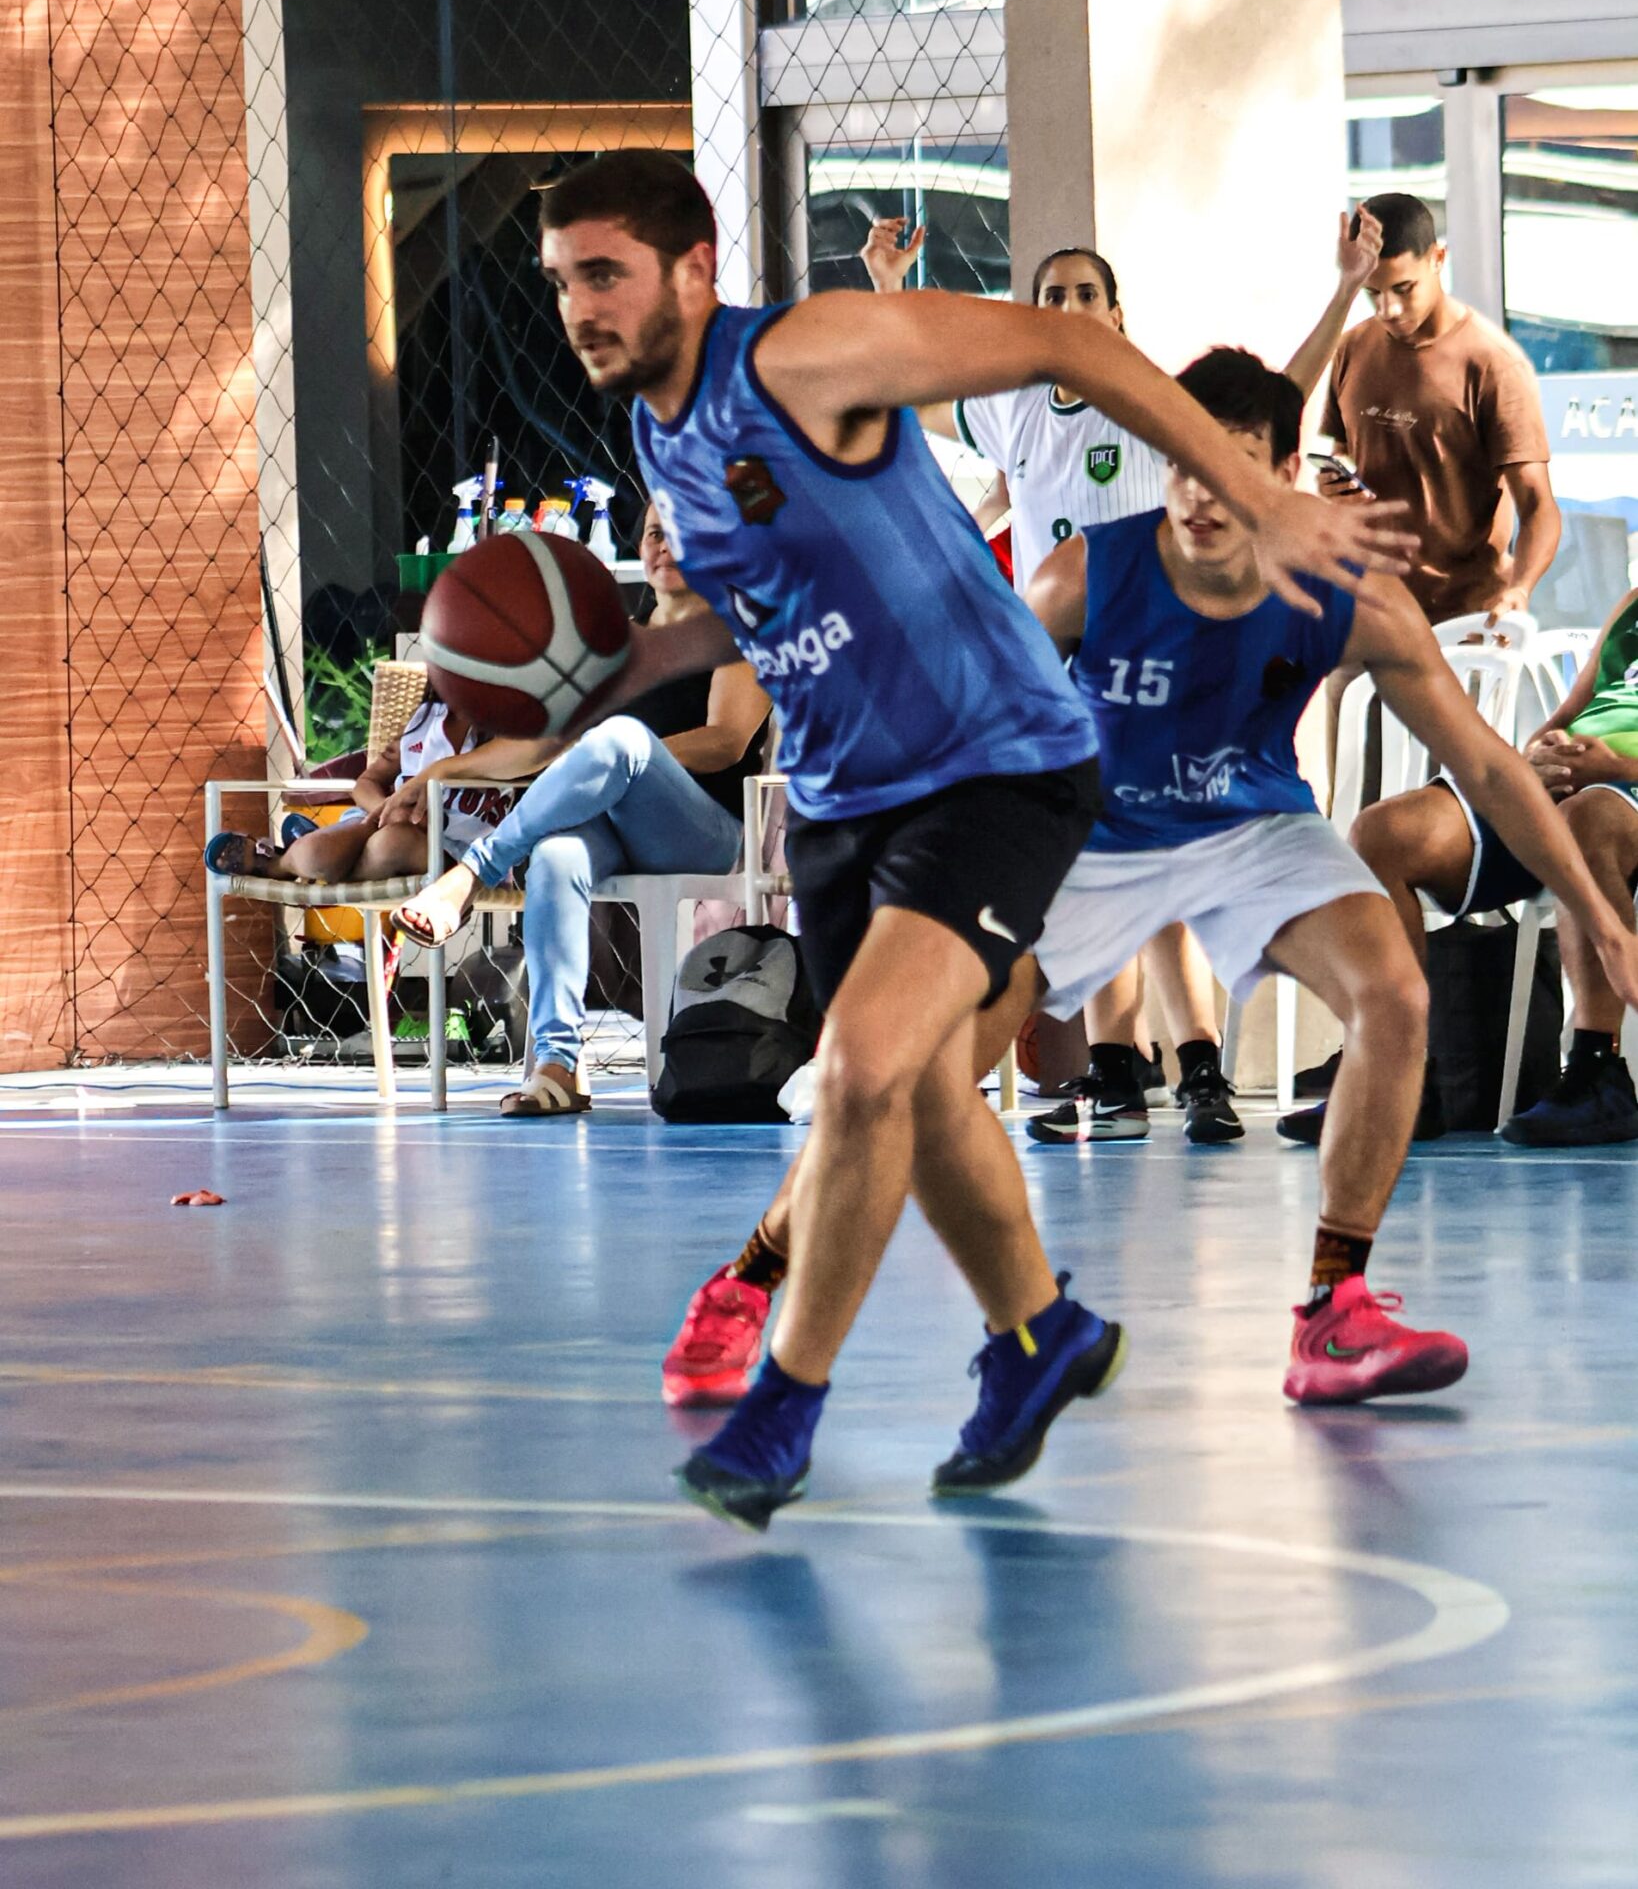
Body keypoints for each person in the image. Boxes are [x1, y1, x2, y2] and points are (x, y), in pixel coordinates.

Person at [531, 147, 1413, 1525]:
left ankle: (782, 1406)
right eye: (560, 281)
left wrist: (1261, 500)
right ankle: (1037, 1332)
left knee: (863, 1067)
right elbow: (768, 616)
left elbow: (1070, 345)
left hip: (996, 759)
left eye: (605, 274)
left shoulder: (806, 355)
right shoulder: (661, 431)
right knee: (928, 1090)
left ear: (694, 271)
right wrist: (592, 679)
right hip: (843, 795)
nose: (579, 307)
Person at [1020, 347, 1638, 1400]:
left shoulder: (1350, 597)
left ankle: (1332, 1309)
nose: (1203, 494)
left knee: (1393, 994)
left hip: (1256, 824)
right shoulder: (1079, 579)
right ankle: (766, 1275)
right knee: (919, 1057)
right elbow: (983, 723)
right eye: (1184, 461)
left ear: (1283, 478)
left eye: (1234, 467)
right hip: (1105, 830)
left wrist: (1604, 921)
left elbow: (1490, 766)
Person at [859, 210, 1386, 1143]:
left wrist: (1346, 288)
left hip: (1159, 665)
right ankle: (1119, 1076)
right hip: (1056, 670)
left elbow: (1283, 399)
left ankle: (1178, 1070)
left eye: (1085, 294)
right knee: (1093, 869)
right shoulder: (1012, 408)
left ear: (1116, 314)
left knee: (1144, 859)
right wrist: (888, 287)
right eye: (1052, 295)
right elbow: (907, 382)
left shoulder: (1150, 404)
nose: (1068, 307)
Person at [387, 504, 770, 1116]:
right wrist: (441, 769)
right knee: (556, 855)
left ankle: (472, 871)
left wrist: (626, 758)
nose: (664, 544)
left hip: (706, 832)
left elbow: (726, 740)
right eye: (653, 533)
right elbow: (545, 746)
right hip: (618, 828)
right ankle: (557, 1062)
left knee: (618, 739)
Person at [1322, 586, 1638, 1149]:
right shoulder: (1632, 603)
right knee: (1383, 834)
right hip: (1569, 784)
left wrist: (1619, 766)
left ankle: (1599, 1071)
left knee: (1582, 820)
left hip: (1620, 791)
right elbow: (1568, 714)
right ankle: (1400, 1075)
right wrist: (1537, 757)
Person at [1323, 191, 1562, 625]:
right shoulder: (1352, 348)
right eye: (1373, 293)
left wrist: (1521, 588)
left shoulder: (1493, 364)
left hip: (1467, 619)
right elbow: (1345, 454)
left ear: (1438, 258)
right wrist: (1336, 486)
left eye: (1403, 288)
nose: (1388, 309)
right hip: (1371, 609)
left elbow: (1538, 507)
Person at [203, 696, 505, 886]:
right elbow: (365, 783)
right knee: (342, 845)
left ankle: (288, 866)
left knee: (388, 843)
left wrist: (402, 818)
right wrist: (386, 811)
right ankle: (289, 862)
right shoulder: (424, 721)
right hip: (379, 821)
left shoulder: (509, 734)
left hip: (459, 852)